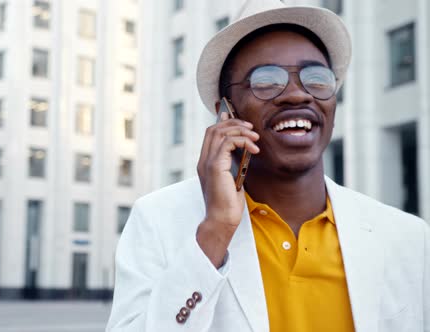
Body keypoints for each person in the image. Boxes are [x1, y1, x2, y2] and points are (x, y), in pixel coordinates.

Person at [106, 1, 429, 331]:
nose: (296, 95)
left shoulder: (407, 238)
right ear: (226, 112)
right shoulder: (159, 221)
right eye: (265, 80)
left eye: (316, 78)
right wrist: (215, 232)